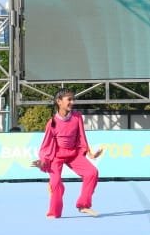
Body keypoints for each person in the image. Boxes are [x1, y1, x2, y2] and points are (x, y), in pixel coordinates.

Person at [32, 89, 102, 218]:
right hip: (56, 156)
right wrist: (42, 162)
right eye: (69, 99)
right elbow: (46, 145)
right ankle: (54, 212)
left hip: (73, 154)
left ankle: (84, 205)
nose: (72, 102)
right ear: (59, 102)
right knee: (55, 182)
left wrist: (90, 154)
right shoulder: (51, 123)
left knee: (92, 172)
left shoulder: (77, 117)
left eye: (73, 99)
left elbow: (82, 137)